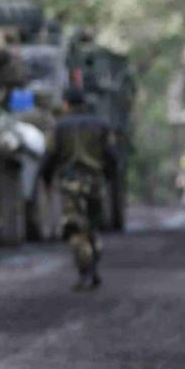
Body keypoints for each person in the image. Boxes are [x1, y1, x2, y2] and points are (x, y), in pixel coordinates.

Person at [48, 87, 112, 290]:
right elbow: (112, 156)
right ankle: (93, 267)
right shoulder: (100, 125)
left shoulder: (60, 127)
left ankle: (85, 271)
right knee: (92, 228)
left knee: (74, 228)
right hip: (95, 182)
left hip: (71, 184)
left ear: (66, 104)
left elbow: (50, 155)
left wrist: (46, 178)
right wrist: (107, 178)